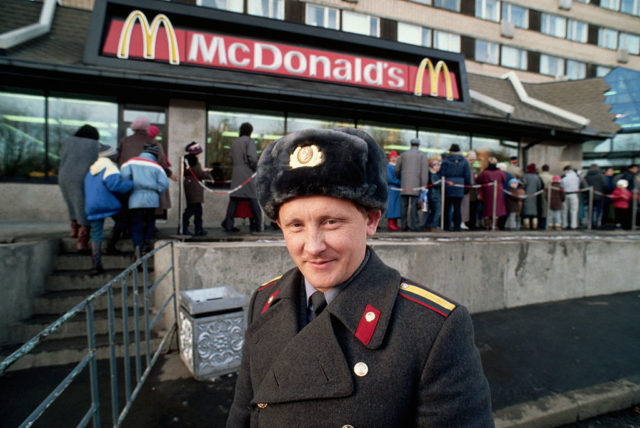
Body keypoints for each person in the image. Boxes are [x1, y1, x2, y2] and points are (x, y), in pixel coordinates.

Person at [227, 128, 493, 427]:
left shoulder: (434, 329)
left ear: (371, 220)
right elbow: (243, 414)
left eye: (331, 222)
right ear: (279, 225)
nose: (313, 246)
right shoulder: (264, 300)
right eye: (296, 225)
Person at [84, 144, 133, 275]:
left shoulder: (92, 169)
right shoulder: (110, 168)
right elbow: (115, 186)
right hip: (107, 203)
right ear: (112, 156)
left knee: (96, 234)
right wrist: (131, 183)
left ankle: (96, 265)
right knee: (122, 221)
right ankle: (110, 246)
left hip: (92, 205)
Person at [120, 143, 169, 259]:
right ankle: (146, 245)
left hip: (134, 199)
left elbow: (124, 179)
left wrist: (131, 190)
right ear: (155, 155)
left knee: (136, 224)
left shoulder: (130, 162)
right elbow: (164, 184)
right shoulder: (157, 167)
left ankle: (137, 247)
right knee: (149, 223)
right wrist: (156, 191)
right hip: (152, 199)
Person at [58, 124, 101, 252]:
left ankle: (74, 229)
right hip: (83, 176)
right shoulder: (95, 145)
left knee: (71, 203)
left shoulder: (67, 142)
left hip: (64, 175)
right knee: (82, 205)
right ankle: (82, 241)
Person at [221, 122, 262, 232]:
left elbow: (231, 158)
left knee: (234, 199)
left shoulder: (234, 142)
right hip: (247, 173)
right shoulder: (249, 141)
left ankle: (228, 224)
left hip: (236, 174)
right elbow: (252, 157)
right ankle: (258, 225)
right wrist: (256, 168)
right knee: (253, 199)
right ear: (250, 131)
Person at [394, 138, 428, 231]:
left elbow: (397, 168)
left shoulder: (403, 154)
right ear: (418, 145)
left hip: (404, 184)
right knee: (414, 207)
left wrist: (400, 178)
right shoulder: (422, 155)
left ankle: (404, 225)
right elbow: (424, 172)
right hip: (416, 185)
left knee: (403, 206)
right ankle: (414, 226)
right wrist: (423, 184)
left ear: (410, 144)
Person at [439, 144, 471, 231]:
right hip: (459, 186)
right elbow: (467, 176)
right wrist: (467, 188)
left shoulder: (445, 161)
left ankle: (446, 226)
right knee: (457, 208)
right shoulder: (464, 161)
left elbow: (441, 175)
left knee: (446, 208)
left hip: (448, 185)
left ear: (450, 151)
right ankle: (457, 227)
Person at [182, 142, 211, 236]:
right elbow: (200, 174)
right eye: (198, 153)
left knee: (197, 209)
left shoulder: (187, 161)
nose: (199, 155)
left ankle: (198, 228)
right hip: (194, 187)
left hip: (191, 185)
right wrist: (207, 173)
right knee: (193, 209)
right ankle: (186, 227)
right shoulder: (193, 161)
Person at [475, 157, 506, 230]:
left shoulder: (485, 172)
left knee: (487, 208)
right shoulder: (500, 172)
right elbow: (504, 179)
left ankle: (487, 225)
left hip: (487, 191)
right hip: (498, 191)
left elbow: (478, 179)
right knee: (497, 208)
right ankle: (495, 225)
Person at [584, 164, 607, 229]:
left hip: (590, 195)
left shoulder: (587, 176)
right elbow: (604, 184)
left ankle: (590, 223)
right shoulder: (601, 176)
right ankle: (597, 223)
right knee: (599, 210)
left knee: (590, 210)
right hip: (599, 194)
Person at [522, 163, 543, 230]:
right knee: (534, 212)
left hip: (526, 196)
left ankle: (526, 225)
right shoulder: (537, 177)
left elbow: (523, 185)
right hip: (535, 196)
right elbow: (539, 186)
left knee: (526, 211)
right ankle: (534, 225)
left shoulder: (526, 176)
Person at [385, 150, 401, 231]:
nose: (394, 159)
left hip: (397, 190)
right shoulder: (388, 166)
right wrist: (400, 182)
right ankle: (390, 223)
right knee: (392, 206)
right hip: (392, 189)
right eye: (392, 157)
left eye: (395, 157)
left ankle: (395, 223)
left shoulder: (397, 166)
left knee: (396, 207)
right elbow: (390, 179)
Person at [424, 159, 442, 231]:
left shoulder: (433, 174)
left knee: (433, 211)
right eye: (436, 165)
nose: (438, 167)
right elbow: (435, 183)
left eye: (438, 165)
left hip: (433, 195)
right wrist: (442, 182)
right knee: (437, 211)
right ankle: (434, 226)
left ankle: (428, 225)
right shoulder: (433, 175)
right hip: (435, 196)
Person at [561, 165, 581, 229]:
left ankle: (564, 224)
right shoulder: (577, 176)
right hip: (574, 194)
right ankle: (573, 225)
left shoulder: (564, 176)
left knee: (564, 210)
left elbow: (562, 185)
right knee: (574, 210)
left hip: (565, 194)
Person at [538, 164, 553, 230]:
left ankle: (540, 224)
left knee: (540, 209)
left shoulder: (539, 176)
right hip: (548, 194)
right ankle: (545, 224)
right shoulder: (551, 177)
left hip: (539, 194)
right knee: (546, 209)